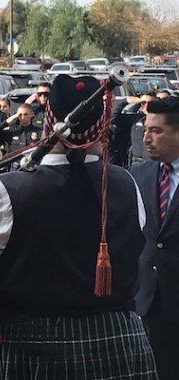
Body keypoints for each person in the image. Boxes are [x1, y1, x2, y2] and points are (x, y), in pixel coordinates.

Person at [0, 75, 157, 379]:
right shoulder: (128, 184)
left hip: (33, 345)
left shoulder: (6, 191)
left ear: (47, 127)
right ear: (102, 129)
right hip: (119, 339)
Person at [130, 96, 179, 380]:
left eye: (156, 131)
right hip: (145, 305)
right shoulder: (138, 175)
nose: (146, 138)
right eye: (145, 129)